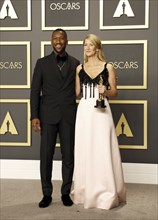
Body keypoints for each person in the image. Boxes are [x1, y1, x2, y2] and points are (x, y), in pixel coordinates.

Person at [72, 34, 126, 210]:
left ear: (97, 48)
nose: (87, 48)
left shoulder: (108, 66)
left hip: (102, 111)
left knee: (103, 148)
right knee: (85, 149)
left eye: (91, 45)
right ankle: (84, 191)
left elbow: (114, 92)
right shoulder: (79, 68)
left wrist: (106, 90)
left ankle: (106, 192)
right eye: (85, 45)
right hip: (85, 110)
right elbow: (76, 93)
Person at [30, 29, 80, 208]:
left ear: (67, 40)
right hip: (47, 115)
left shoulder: (75, 63)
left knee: (68, 156)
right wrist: (34, 116)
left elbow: (81, 87)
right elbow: (35, 90)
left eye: (61, 38)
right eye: (55, 38)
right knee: (46, 156)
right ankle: (46, 193)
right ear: (51, 41)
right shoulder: (41, 63)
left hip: (68, 116)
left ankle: (65, 193)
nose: (58, 41)